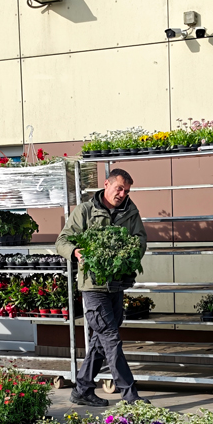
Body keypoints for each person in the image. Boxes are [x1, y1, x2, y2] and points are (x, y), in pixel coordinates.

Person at [56, 169, 149, 406]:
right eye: (119, 188)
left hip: (117, 284)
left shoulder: (131, 211)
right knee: (110, 338)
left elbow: (140, 239)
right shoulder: (85, 211)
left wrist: (129, 254)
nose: (122, 194)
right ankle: (130, 395)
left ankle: (82, 389)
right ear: (106, 184)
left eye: (126, 191)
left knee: (101, 339)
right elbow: (62, 241)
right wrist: (75, 252)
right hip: (93, 285)